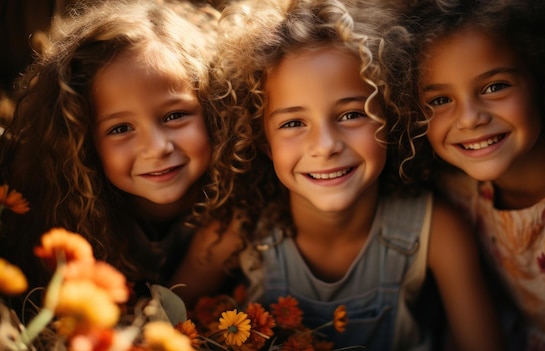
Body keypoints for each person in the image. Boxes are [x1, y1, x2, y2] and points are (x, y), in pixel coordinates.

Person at [195, 0, 507, 349]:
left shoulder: (436, 231)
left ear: (392, 117)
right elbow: (164, 324)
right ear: (264, 141)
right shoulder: (238, 231)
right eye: (294, 123)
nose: (325, 146)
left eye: (351, 115)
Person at [409, 0, 545, 350]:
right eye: (439, 101)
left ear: (541, 78)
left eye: (495, 87)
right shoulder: (457, 190)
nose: (469, 118)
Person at [0, 0, 240, 311]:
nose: (156, 147)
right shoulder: (67, 211)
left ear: (213, 108)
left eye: (174, 116)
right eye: (121, 128)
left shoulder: (240, 203)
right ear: (83, 141)